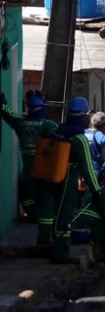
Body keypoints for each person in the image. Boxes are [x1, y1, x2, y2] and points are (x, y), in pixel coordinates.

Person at [34, 96, 102, 264]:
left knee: (55, 215)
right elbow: (87, 168)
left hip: (51, 179)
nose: (88, 119)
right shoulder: (79, 139)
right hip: (67, 182)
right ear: (82, 116)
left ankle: (52, 245)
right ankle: (61, 252)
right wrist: (96, 190)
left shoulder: (59, 131)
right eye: (86, 115)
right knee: (64, 218)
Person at [0, 91, 58, 227]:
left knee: (28, 195)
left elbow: (9, 115)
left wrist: (3, 105)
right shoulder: (49, 125)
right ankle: (47, 219)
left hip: (28, 173)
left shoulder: (21, 124)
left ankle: (33, 215)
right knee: (46, 198)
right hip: (44, 172)